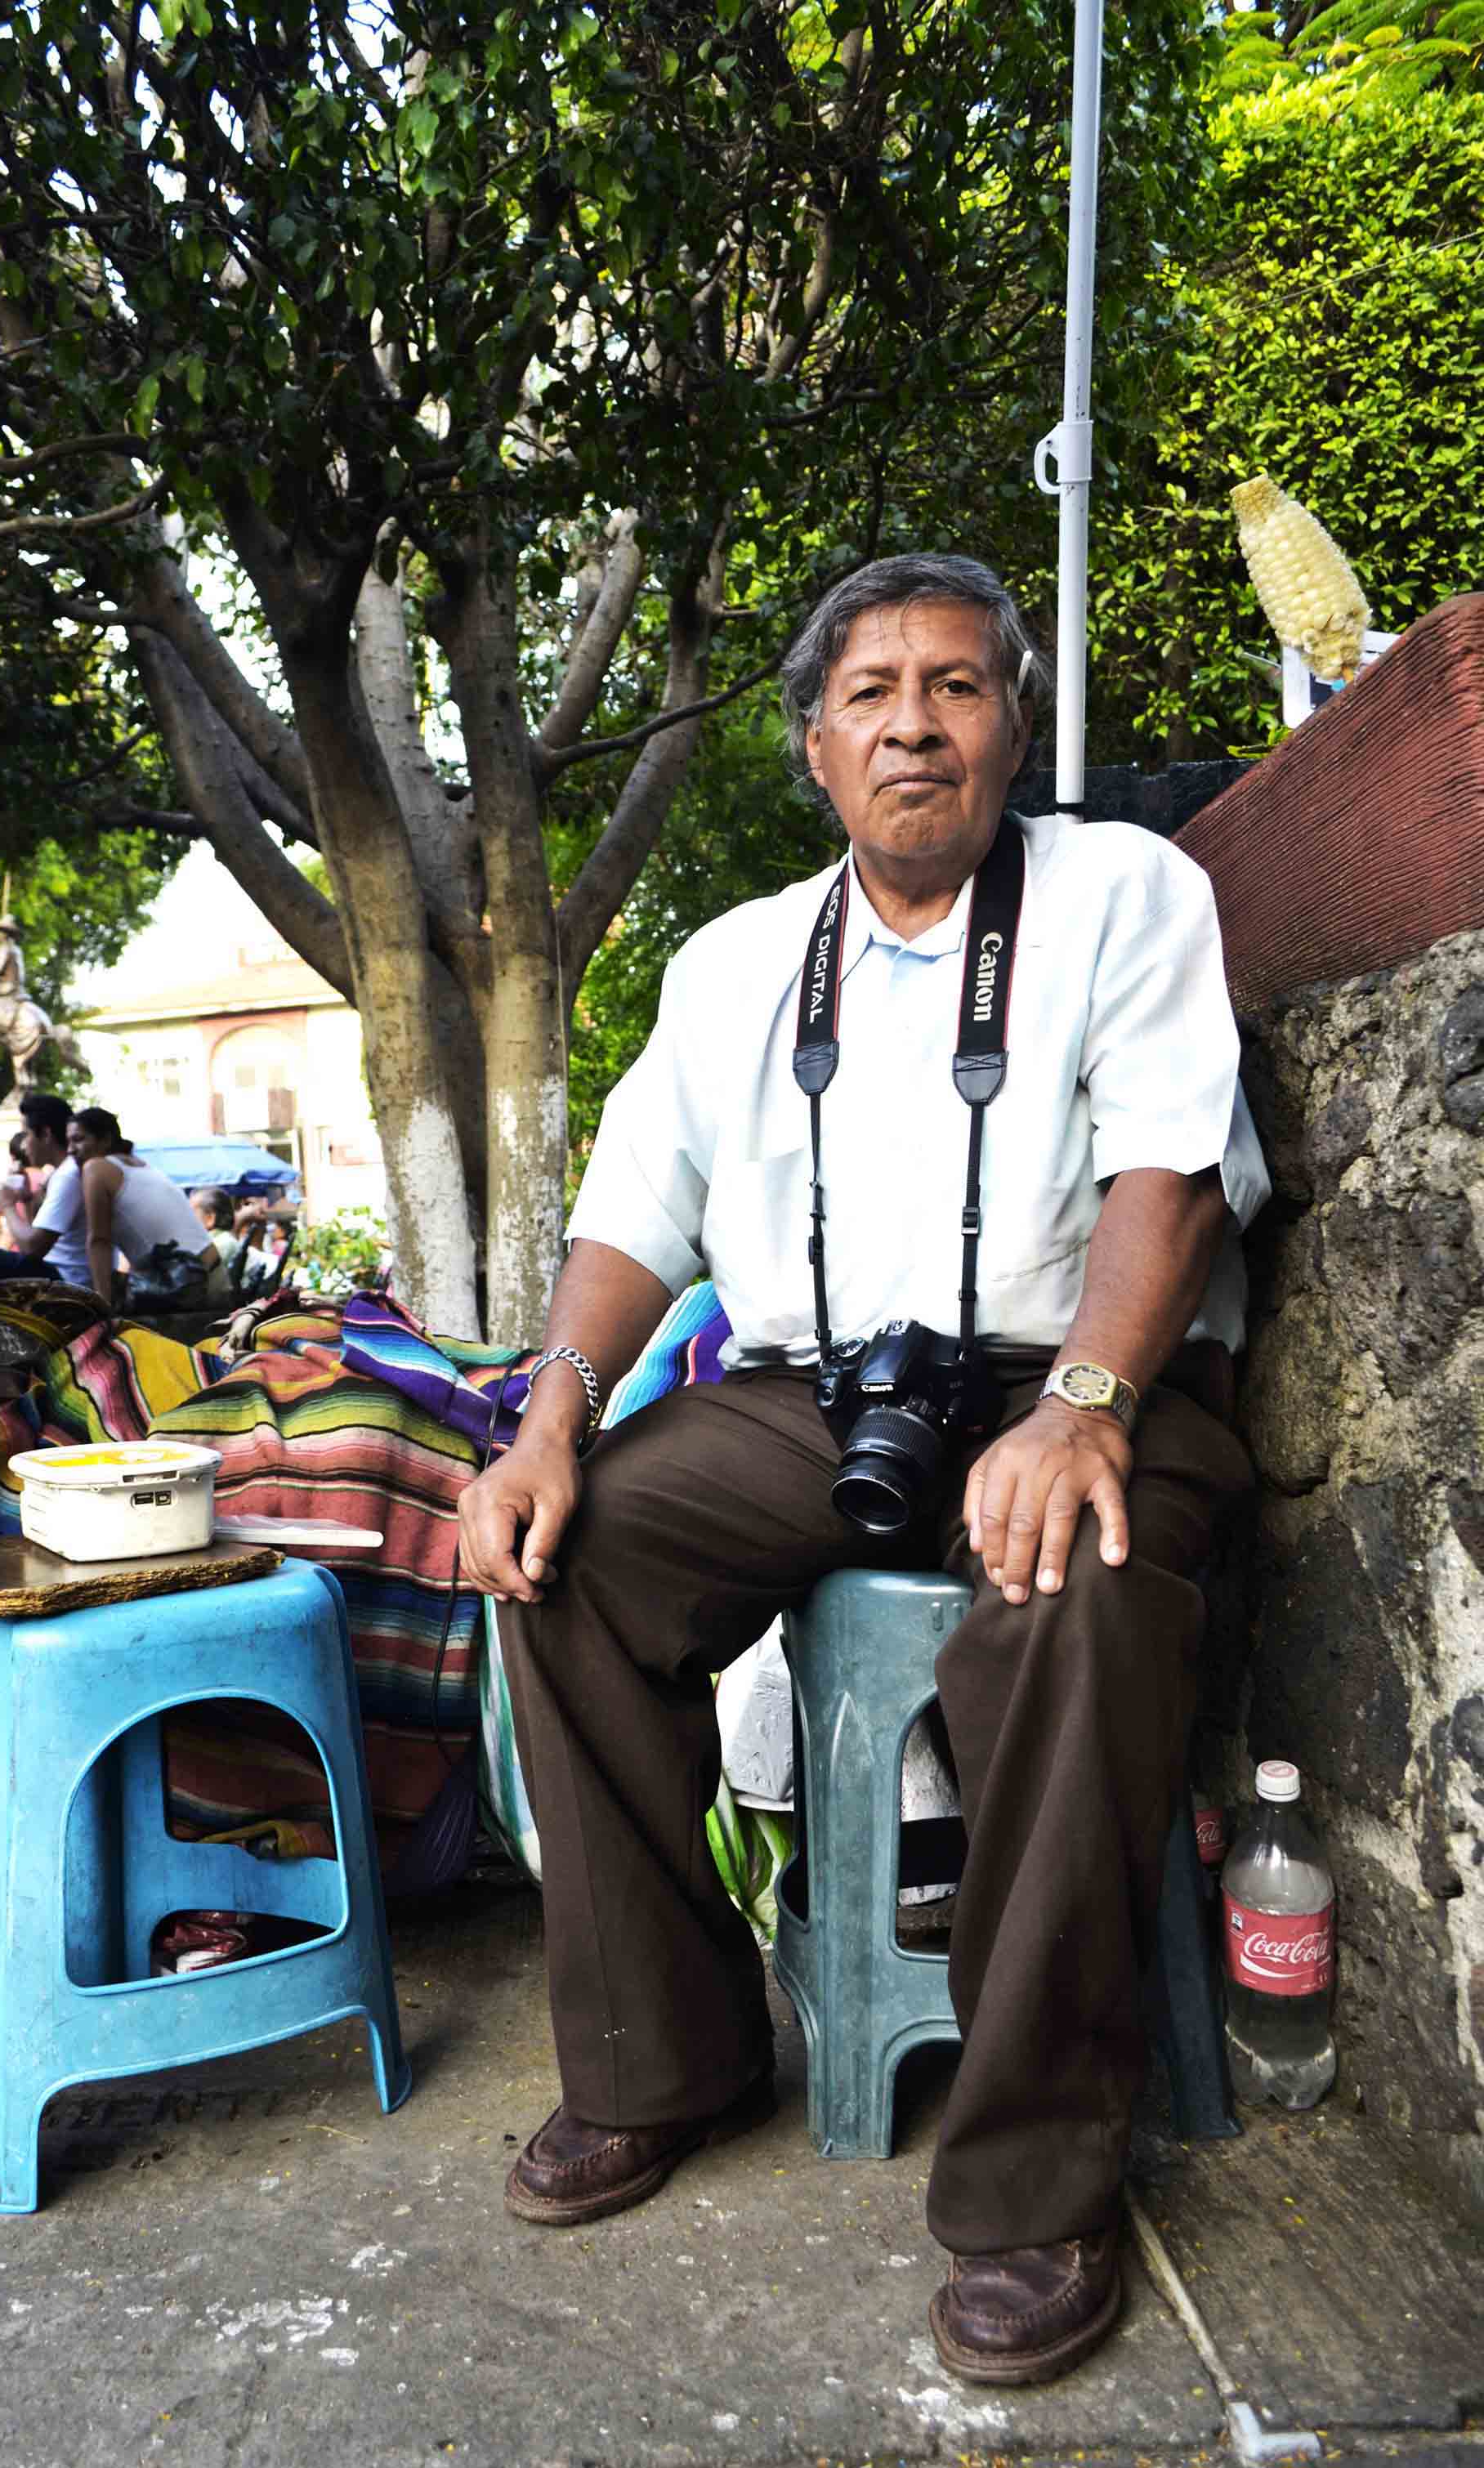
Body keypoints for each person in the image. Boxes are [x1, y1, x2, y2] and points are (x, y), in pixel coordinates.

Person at [458, 553, 1270, 2389]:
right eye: (875, 691)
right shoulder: (735, 957)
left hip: (1087, 1371)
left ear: (1013, 729)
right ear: (815, 745)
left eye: (962, 686)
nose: (918, 719)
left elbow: (1170, 1172)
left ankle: (1034, 2185)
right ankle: (663, 2060)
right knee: (566, 1558)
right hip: (820, 1391)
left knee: (1070, 1588)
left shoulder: (1123, 891)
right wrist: (551, 1414)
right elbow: (631, 1216)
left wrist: (1083, 1400)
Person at [68, 1109, 229, 1310]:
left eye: (78, 1140)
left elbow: (99, 1241)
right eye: (68, 1142)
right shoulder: (141, 1166)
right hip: (213, 1274)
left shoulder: (96, 1168)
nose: (71, 1149)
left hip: (186, 1282)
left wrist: (104, 1305)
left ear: (105, 1140)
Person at [0, 1091, 108, 1289]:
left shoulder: (68, 1175)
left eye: (27, 1134)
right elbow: (31, 1237)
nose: (24, 1144)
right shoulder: (60, 1173)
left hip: (66, 1279)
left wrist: (8, 1205)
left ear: (45, 1134)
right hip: (56, 1272)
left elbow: (32, 1248)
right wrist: (27, 1199)